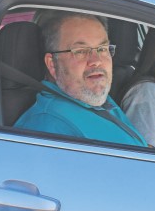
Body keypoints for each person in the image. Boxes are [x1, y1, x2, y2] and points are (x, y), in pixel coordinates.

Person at [14, 11, 147, 148]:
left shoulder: (92, 98)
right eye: (81, 51)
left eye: (102, 49)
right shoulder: (49, 130)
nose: (96, 61)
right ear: (52, 64)